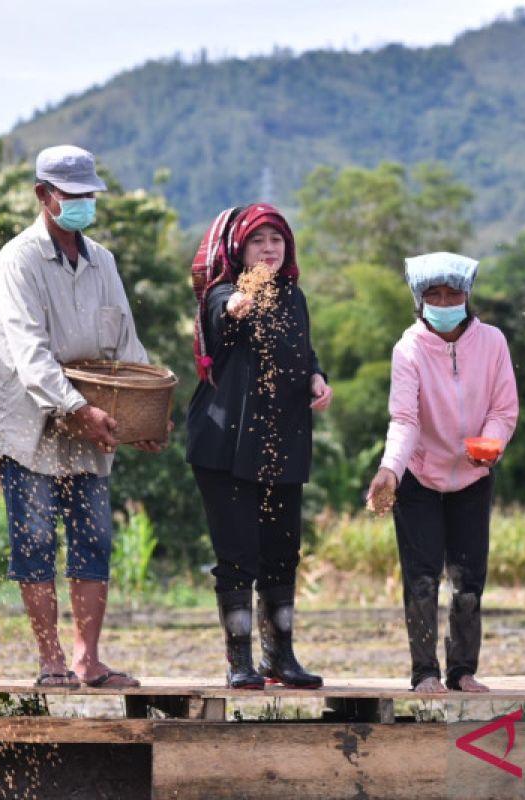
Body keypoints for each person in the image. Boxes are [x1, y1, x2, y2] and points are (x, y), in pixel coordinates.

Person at [0, 145, 162, 689]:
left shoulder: (103, 261)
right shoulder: (17, 261)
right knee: (36, 539)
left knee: (93, 541)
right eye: (72, 195)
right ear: (44, 196)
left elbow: (126, 344)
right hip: (33, 424)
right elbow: (28, 355)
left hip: (94, 423)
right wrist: (77, 408)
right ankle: (51, 659)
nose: (83, 203)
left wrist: (146, 417)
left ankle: (88, 660)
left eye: (89, 195)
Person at [187, 203, 332, 689]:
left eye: (276, 240)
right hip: (226, 446)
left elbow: (304, 351)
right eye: (257, 241)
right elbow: (220, 314)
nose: (269, 249)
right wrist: (236, 303)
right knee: (237, 556)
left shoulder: (293, 296)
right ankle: (239, 663)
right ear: (238, 249)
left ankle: (280, 658)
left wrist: (317, 379)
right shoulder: (223, 292)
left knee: (282, 552)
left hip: (281, 443)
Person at [365, 253, 518, 694]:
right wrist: (389, 470)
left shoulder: (492, 343)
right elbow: (405, 419)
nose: (445, 301)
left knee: (469, 579)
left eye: (453, 293)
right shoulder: (408, 349)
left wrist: (489, 446)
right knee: (423, 576)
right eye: (434, 294)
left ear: (467, 296)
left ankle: (462, 671)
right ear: (420, 300)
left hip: (474, 475)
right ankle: (425, 672)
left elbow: (504, 409)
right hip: (419, 475)